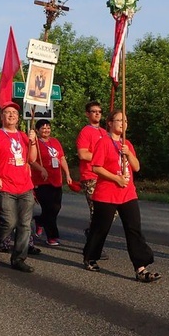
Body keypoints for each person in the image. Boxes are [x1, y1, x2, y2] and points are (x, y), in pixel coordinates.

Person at [83, 110, 160, 282]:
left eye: (125, 120)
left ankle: (141, 267)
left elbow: (137, 167)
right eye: (118, 120)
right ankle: (90, 256)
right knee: (100, 229)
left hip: (127, 193)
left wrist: (129, 154)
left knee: (134, 229)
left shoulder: (127, 144)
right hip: (107, 193)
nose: (122, 123)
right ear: (109, 123)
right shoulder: (103, 142)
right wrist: (116, 178)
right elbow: (96, 167)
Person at [0, 101, 38, 273]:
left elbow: (32, 159)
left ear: (18, 117)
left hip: (25, 186)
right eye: (7, 112)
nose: (11, 115)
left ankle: (19, 259)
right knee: (9, 222)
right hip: (5, 185)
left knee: (25, 225)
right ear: (2, 116)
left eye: (14, 112)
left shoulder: (23, 136)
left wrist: (34, 142)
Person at [30, 119, 72, 246]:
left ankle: (39, 220)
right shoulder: (34, 143)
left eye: (48, 127)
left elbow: (62, 158)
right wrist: (41, 169)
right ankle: (52, 236)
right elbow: (31, 160)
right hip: (41, 181)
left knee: (56, 208)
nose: (46, 130)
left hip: (56, 179)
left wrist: (67, 174)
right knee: (48, 208)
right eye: (43, 128)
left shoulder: (55, 142)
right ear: (37, 130)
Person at [76, 101, 109, 239]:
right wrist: (101, 158)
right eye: (94, 111)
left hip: (105, 176)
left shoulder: (104, 132)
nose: (97, 114)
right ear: (87, 114)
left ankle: (92, 231)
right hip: (90, 175)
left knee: (109, 211)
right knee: (96, 210)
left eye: (99, 111)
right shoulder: (85, 132)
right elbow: (83, 154)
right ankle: (94, 241)